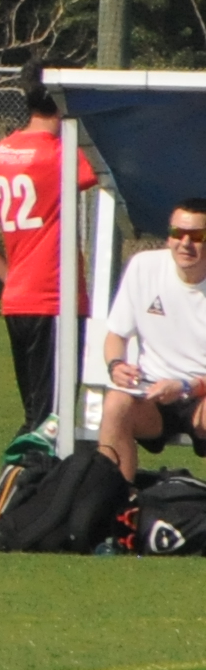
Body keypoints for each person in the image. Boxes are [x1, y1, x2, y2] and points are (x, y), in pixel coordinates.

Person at [0, 87, 101, 434]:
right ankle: (30, 470)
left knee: (37, 415)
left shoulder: (1, 152)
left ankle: (28, 467)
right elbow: (110, 168)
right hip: (54, 300)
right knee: (51, 422)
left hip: (19, 299)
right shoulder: (60, 153)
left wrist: (10, 276)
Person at [93, 204, 206, 480]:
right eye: (178, 233)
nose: (185, 243)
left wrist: (185, 386)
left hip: (200, 395)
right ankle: (116, 498)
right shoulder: (144, 267)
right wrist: (116, 365)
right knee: (116, 404)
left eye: (196, 236)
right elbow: (116, 335)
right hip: (151, 395)